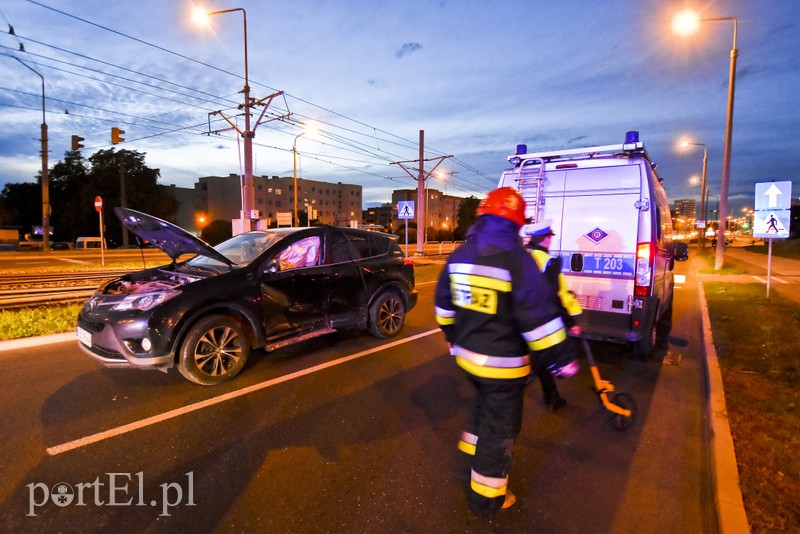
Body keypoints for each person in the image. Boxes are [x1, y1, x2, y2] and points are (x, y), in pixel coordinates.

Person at [434, 187, 578, 516]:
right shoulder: (517, 260)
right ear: (516, 223)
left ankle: (472, 455)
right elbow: (539, 319)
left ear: (482, 216)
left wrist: (452, 336)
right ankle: (487, 498)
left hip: (468, 357)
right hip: (503, 366)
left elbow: (444, 307)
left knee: (483, 407)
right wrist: (561, 359)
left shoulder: (459, 255)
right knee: (500, 428)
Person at [522, 219, 583, 412]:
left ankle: (548, 395)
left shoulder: (522, 256)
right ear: (546, 238)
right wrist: (570, 322)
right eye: (550, 237)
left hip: (520, 316)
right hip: (541, 318)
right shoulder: (549, 262)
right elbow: (555, 296)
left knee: (531, 355)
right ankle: (552, 399)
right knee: (545, 357)